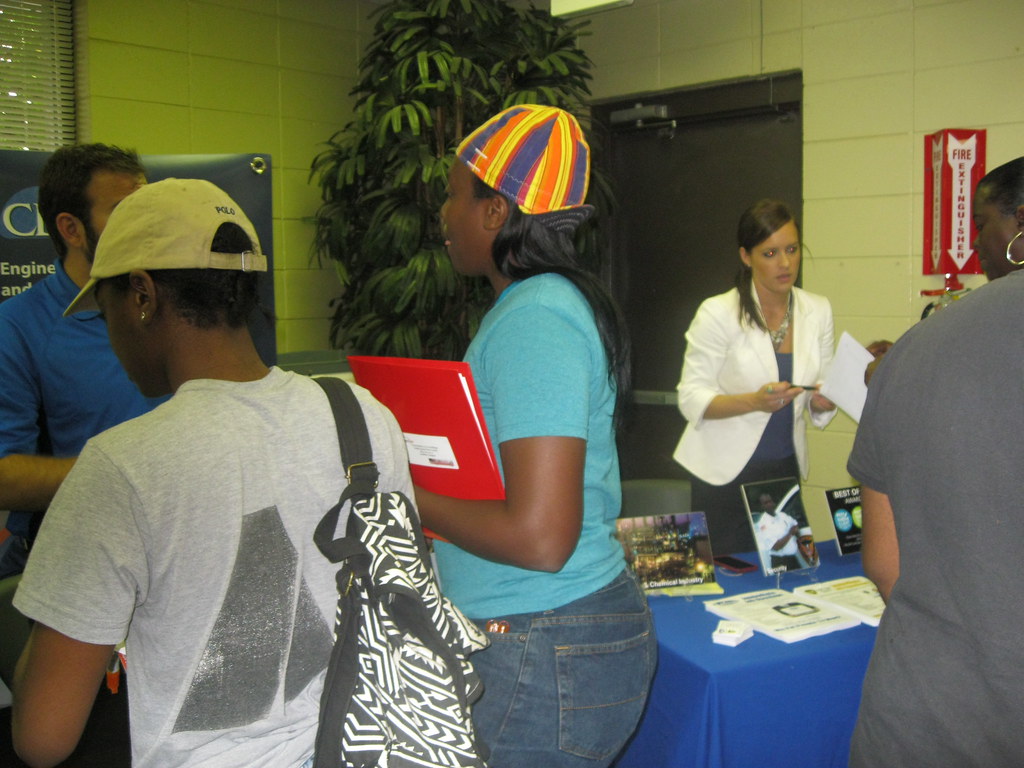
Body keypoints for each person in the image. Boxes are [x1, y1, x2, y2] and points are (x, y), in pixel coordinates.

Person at [11, 178, 414, 768]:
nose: (111, 334)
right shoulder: (363, 416)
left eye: (106, 310)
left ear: (142, 295)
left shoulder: (120, 465)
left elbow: (42, 738)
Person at [414, 104, 657, 768]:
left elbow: (542, 538)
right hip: (546, 636)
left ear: (496, 212)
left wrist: (409, 492)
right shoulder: (536, 309)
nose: (443, 212)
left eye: (454, 194)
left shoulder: (537, 318)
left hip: (544, 637)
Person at [845, 156, 1024, 765]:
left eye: (984, 225)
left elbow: (887, 563)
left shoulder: (916, 351)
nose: (975, 245)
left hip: (927, 718)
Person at [0, 143, 164, 578]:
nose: (145, 223)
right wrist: (131, 473)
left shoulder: (171, 305)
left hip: (173, 549)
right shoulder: (16, 327)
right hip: (73, 561)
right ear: (72, 229)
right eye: (125, 210)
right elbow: (4, 476)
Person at [672, 199, 837, 555]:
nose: (786, 263)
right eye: (770, 253)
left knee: (787, 572)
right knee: (725, 580)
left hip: (783, 469)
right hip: (723, 474)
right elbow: (690, 398)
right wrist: (755, 401)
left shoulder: (818, 310)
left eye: (792, 249)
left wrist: (822, 401)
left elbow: (818, 395)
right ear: (746, 257)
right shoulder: (717, 313)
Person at [863, 156, 1024, 385]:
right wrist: (905, 355)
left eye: (981, 226)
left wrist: (895, 369)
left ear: (1022, 220)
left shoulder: (1002, 307)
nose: (976, 242)